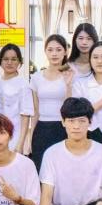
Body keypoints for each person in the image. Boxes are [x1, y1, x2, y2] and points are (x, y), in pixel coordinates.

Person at [29, 34, 74, 169]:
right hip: (42, 129)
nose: (54, 54)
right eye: (50, 50)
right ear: (45, 52)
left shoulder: (70, 75)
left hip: (63, 128)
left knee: (62, 169)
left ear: (65, 52)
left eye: (58, 50)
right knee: (41, 168)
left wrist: (68, 85)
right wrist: (31, 137)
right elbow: (35, 111)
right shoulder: (36, 77)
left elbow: (70, 108)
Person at [0, 44, 33, 155]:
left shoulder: (23, 84)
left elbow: (25, 116)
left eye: (14, 59)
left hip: (14, 136)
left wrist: (20, 144)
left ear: (19, 61)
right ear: (0, 61)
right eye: (6, 59)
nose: (9, 62)